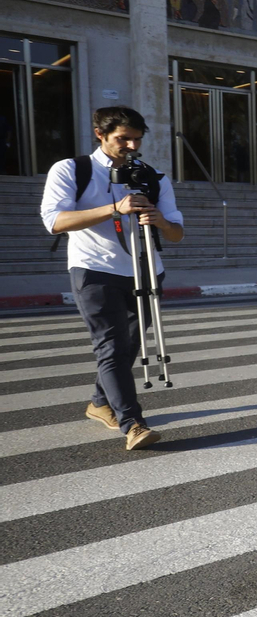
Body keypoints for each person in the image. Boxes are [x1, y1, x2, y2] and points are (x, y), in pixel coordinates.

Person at [38, 106, 185, 450]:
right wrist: (113, 209)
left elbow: (177, 233)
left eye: (137, 139)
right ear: (100, 134)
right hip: (93, 270)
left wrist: (159, 220)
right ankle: (132, 423)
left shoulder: (153, 176)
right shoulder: (72, 170)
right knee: (112, 345)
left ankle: (100, 403)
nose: (132, 146)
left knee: (128, 346)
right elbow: (54, 222)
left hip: (146, 270)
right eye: (123, 138)